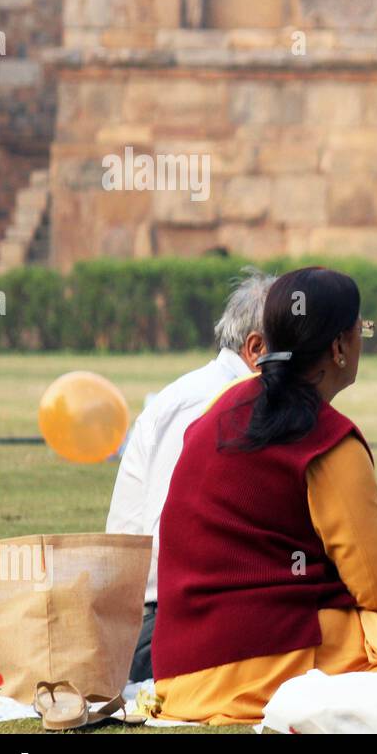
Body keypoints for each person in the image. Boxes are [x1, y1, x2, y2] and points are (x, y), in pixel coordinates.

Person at [151, 267, 377, 723]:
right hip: (257, 659)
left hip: (177, 670)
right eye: (361, 330)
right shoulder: (327, 439)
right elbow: (376, 585)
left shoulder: (226, 405)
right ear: (340, 347)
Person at [106, 266, 273, 683]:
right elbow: (169, 541)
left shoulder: (238, 399)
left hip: (183, 614)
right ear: (256, 349)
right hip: (155, 626)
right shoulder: (203, 403)